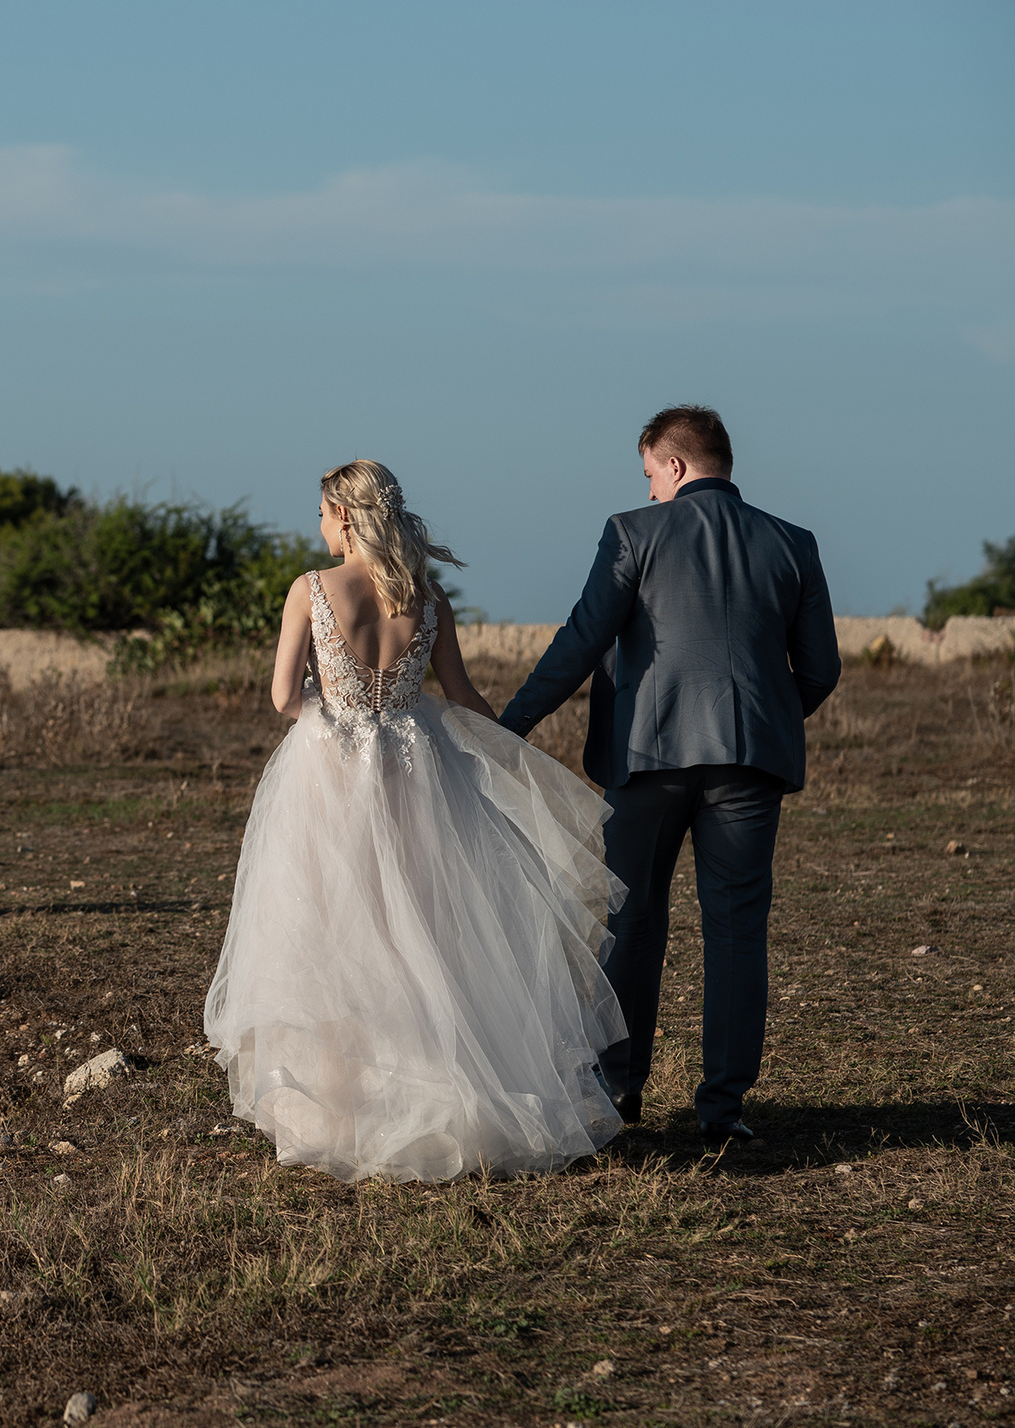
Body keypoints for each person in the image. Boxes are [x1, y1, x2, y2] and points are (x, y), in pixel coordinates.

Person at [205, 460, 628, 1182]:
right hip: (414, 770)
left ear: (344, 514)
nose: (317, 526)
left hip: (329, 778)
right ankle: (438, 1095)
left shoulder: (311, 590)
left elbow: (282, 697)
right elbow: (461, 696)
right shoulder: (428, 598)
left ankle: (347, 1109)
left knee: (336, 928)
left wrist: (336, 714)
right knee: (420, 929)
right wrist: (509, 755)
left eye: (320, 512)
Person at [497, 406, 840, 1145]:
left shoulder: (633, 533)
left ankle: (620, 1094)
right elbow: (820, 669)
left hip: (646, 761)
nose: (649, 489)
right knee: (738, 932)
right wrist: (767, 719)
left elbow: (582, 639)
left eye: (651, 473)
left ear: (675, 466)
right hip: (751, 764)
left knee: (631, 924)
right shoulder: (794, 542)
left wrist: (512, 726)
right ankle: (725, 1110)